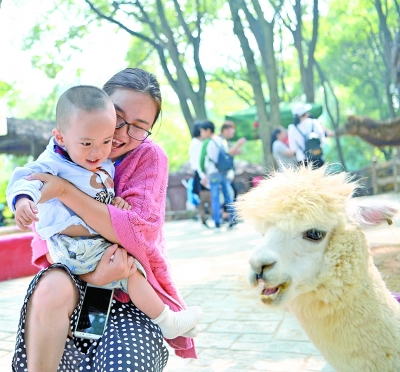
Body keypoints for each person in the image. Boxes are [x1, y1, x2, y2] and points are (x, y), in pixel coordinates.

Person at [10, 68, 198, 372]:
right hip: (78, 278)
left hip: (127, 291)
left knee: (121, 358)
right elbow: (45, 227)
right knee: (54, 292)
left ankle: (165, 323)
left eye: (139, 126)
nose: (122, 134)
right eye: (119, 118)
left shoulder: (147, 157)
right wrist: (93, 277)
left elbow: (137, 232)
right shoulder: (68, 148)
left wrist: (64, 192)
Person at [199, 120, 237, 229]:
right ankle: (232, 218)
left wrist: (203, 172)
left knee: (215, 197)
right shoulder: (221, 141)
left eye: (202, 131)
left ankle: (217, 221)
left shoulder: (209, 142)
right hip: (224, 171)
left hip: (213, 173)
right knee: (228, 196)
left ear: (208, 130)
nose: (201, 134)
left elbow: (204, 160)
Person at [287, 102, 326, 168]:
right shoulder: (314, 123)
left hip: (302, 161)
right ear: (306, 113)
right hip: (317, 158)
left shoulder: (292, 128)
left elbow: (293, 148)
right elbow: (322, 141)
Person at [188, 121, 211, 227]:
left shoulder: (198, 142)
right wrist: (203, 176)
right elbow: (198, 162)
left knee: (203, 198)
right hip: (200, 173)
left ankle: (204, 217)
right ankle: (204, 218)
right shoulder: (196, 144)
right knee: (203, 197)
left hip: (200, 172)